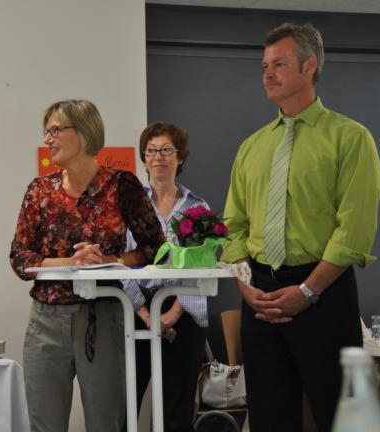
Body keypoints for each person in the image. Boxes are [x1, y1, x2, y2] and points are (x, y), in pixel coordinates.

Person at [221, 23, 380, 432]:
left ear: (309, 66)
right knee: (269, 419)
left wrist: (308, 291)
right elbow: (233, 229)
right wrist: (245, 285)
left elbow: (354, 230)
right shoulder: (252, 147)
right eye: (264, 66)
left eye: (279, 64)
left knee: (340, 419)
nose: (267, 74)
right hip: (260, 296)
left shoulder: (351, 139)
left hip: (324, 294)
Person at [10, 99, 164, 432]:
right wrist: (73, 263)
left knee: (106, 424)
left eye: (55, 130)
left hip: (104, 316)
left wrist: (111, 261)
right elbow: (20, 258)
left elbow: (155, 249)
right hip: (46, 322)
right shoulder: (40, 191)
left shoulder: (122, 185)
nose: (47, 139)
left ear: (83, 132)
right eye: (46, 131)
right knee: (45, 425)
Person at [122, 122, 209, 432]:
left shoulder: (198, 208)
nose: (158, 157)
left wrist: (171, 315)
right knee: (124, 408)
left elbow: (202, 267)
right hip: (134, 311)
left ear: (180, 157)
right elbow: (121, 264)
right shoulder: (128, 207)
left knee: (177, 410)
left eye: (166, 150)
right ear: (144, 158)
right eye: (151, 150)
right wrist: (147, 315)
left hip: (183, 313)